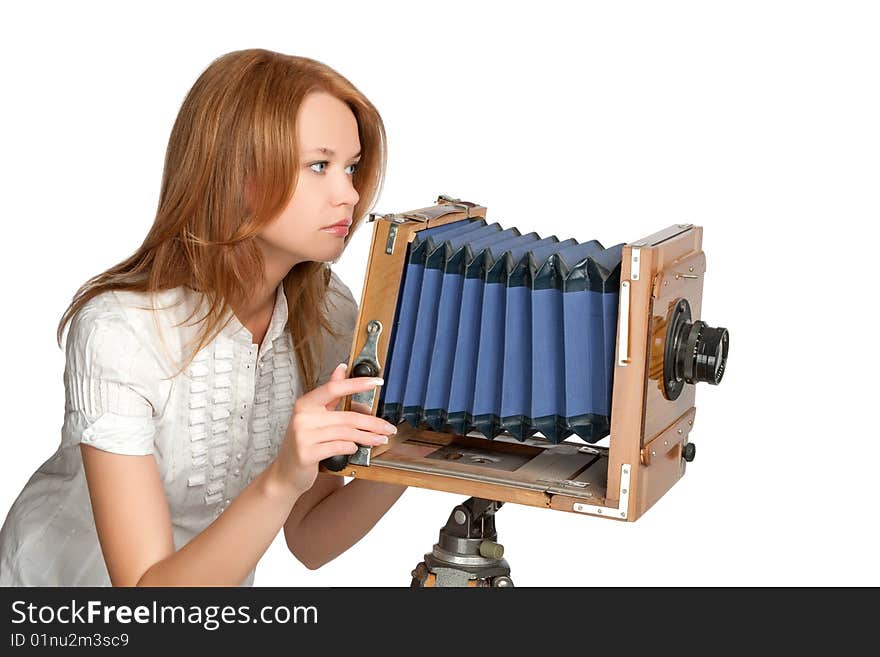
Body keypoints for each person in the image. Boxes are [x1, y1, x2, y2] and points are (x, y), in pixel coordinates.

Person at [0, 48, 406, 586]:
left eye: (352, 167)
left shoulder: (328, 310)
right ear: (236, 172)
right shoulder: (122, 330)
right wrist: (283, 477)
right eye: (319, 166)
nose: (350, 193)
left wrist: (421, 449)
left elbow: (310, 537)